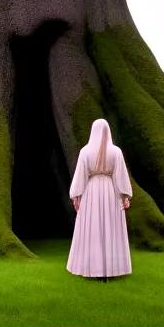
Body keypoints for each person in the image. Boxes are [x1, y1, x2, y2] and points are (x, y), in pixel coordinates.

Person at [66, 117, 132, 280]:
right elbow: (121, 175)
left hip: (91, 191)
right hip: (110, 190)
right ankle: (110, 269)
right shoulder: (116, 151)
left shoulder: (85, 151)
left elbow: (81, 175)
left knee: (93, 227)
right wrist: (125, 195)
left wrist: (76, 195)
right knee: (110, 227)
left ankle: (92, 268)